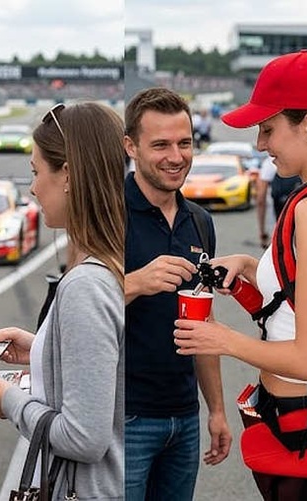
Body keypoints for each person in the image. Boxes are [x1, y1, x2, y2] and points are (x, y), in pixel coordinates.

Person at [172, 50, 307, 500]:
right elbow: (303, 293)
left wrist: (221, 341)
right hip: (302, 424)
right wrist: (248, 266)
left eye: (268, 129)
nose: (261, 144)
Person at [0, 102, 126, 500]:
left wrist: (10, 401)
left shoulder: (86, 285)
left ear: (69, 175)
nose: (33, 188)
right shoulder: (119, 261)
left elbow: (82, 438)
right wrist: (43, 350)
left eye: (36, 172)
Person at [121, 88, 231, 501]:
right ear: (130, 146)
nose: (176, 156)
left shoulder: (199, 221)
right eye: (161, 144)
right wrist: (136, 282)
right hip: (125, 416)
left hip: (184, 416)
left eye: (184, 143)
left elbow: (203, 323)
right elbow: (73, 309)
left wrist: (216, 410)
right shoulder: (108, 214)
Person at [255, 155, 301, 248]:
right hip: (302, 222)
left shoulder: (270, 163)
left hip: (278, 225)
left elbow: (260, 198)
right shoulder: (301, 159)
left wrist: (262, 231)